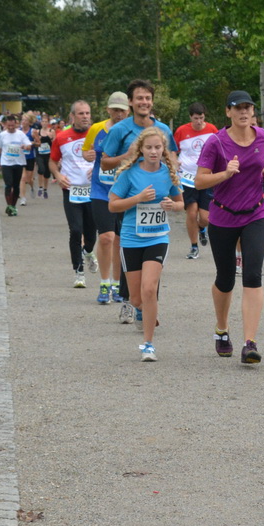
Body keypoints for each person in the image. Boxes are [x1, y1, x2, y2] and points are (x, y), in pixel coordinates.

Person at [195, 90, 264, 363]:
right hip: (222, 217)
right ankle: (222, 329)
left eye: (248, 108)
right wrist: (226, 173)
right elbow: (199, 181)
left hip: (255, 213)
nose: (244, 112)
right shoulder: (216, 143)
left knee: (253, 275)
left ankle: (250, 342)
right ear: (228, 112)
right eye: (238, 108)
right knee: (226, 278)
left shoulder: (263, 136)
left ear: (253, 112)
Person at [93, 81, 173, 319]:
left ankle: (146, 308)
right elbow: (104, 162)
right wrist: (126, 156)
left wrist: (171, 181)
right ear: (131, 102)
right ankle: (130, 299)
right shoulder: (120, 129)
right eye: (139, 98)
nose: (144, 102)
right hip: (127, 196)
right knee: (127, 249)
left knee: (153, 255)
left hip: (154, 201)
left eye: (148, 98)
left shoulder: (163, 130)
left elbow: (173, 158)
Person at [107, 127, 186, 360]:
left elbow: (181, 202)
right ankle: (144, 311)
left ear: (164, 150)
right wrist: (138, 199)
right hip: (131, 239)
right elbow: (113, 205)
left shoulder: (168, 174)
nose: (154, 151)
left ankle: (148, 344)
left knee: (150, 288)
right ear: (141, 149)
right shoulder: (130, 174)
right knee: (136, 298)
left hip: (158, 237)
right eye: (149, 147)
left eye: (158, 147)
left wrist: (173, 206)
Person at [52, 100, 99, 287]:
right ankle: (79, 272)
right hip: (71, 190)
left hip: (93, 190)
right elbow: (52, 160)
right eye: (81, 113)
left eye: (87, 113)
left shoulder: (98, 135)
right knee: (76, 230)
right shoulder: (61, 137)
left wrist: (97, 168)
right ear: (72, 116)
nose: (85, 116)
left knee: (91, 232)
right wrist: (57, 174)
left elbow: (108, 158)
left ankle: (88, 251)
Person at [175, 101, 219, 259]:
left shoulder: (212, 130)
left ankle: (202, 229)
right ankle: (194, 247)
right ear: (190, 118)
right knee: (191, 213)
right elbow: (173, 150)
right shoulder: (181, 131)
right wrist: (174, 161)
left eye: (201, 118)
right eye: (195, 118)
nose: (199, 121)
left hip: (206, 177)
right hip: (187, 177)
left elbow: (219, 149)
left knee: (205, 218)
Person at [0, 114, 32, 216]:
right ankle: (9, 206)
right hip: (6, 163)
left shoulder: (20, 134)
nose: (11, 127)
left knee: (16, 186)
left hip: (18, 162)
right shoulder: (2, 135)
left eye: (12, 125)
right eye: (9, 126)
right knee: (8, 184)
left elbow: (29, 145)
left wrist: (25, 147)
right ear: (6, 124)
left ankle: (13, 205)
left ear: (16, 124)